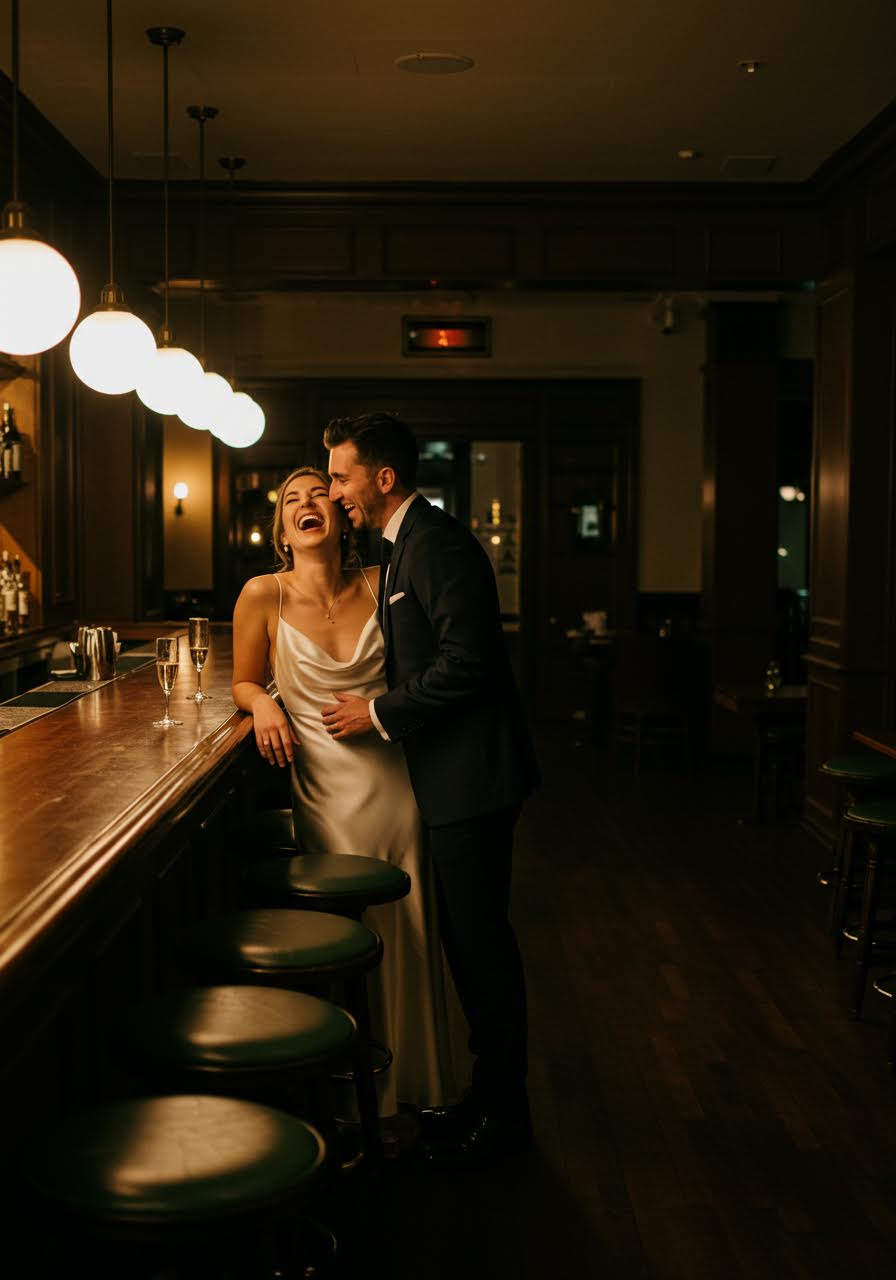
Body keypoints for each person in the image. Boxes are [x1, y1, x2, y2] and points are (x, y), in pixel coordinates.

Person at [323, 412, 540, 1168]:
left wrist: (377, 711)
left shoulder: (436, 544)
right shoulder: (401, 546)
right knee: (467, 946)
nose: (335, 491)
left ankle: (507, 1116)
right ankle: (488, 1098)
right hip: (451, 781)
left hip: (473, 781)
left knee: (482, 950)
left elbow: (468, 663)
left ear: (383, 478)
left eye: (343, 477)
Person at [231, 466, 467, 1131]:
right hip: (325, 790)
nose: (307, 504)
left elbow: (424, 674)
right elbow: (243, 682)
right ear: (281, 529)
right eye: (291, 501)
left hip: (396, 783)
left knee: (410, 928)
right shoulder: (261, 594)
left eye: (319, 496)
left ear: (341, 517)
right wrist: (263, 710)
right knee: (346, 933)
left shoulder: (382, 583)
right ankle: (348, 1102)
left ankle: (418, 1089)